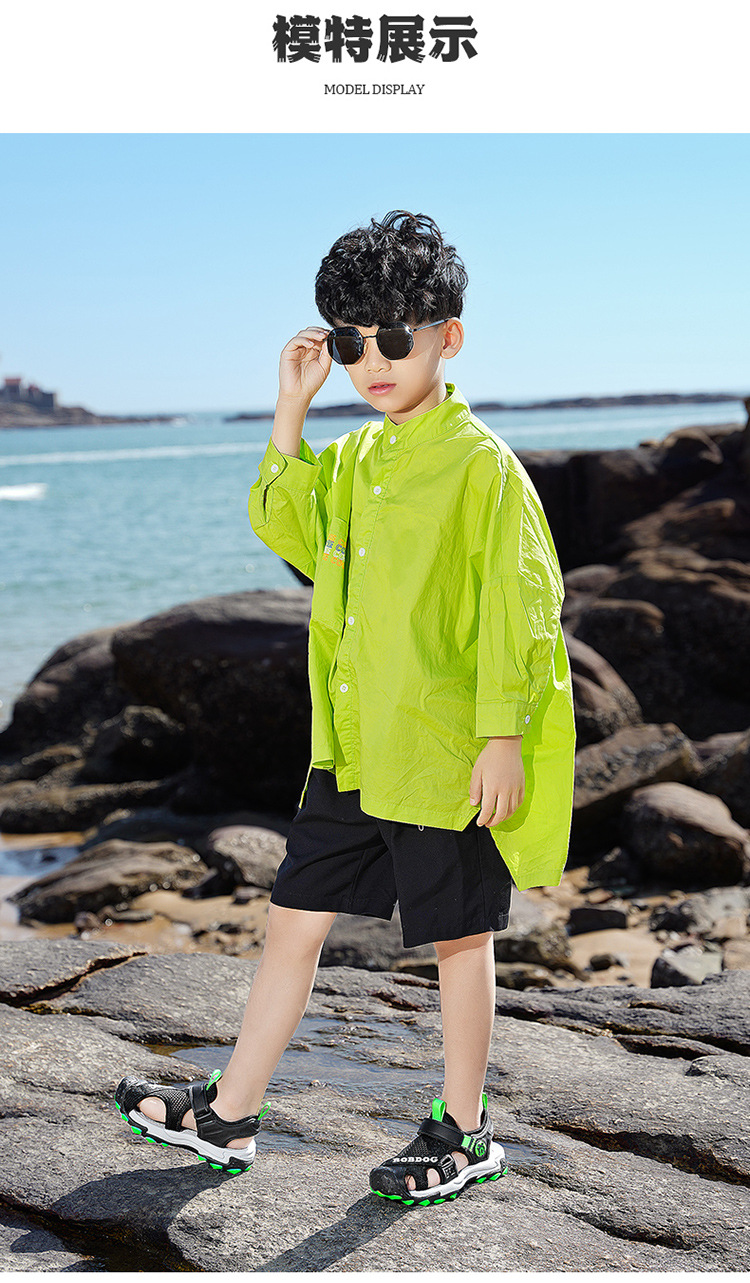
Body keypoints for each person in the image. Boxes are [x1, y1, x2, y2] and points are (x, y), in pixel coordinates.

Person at [116, 209, 576, 1206]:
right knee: (290, 921)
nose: (373, 361)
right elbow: (286, 523)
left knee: (460, 937)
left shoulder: (483, 467)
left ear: (449, 336)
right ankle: (230, 1111)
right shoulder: (358, 457)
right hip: (356, 748)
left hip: (445, 750)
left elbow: (524, 607)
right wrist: (290, 409)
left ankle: (465, 1128)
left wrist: (502, 734)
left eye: (395, 337)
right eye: (352, 341)